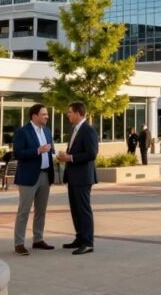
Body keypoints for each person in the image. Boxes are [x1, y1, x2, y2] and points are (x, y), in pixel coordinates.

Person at [12, 103, 56, 255]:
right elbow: (17, 154)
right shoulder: (23, 132)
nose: (47, 116)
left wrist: (58, 156)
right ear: (34, 116)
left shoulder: (47, 131)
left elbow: (51, 152)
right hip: (28, 178)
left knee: (41, 211)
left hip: (45, 176)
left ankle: (38, 239)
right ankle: (19, 243)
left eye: (47, 114)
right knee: (24, 211)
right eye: (44, 114)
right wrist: (38, 150)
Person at [57, 101, 97, 255]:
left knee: (83, 210)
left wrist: (71, 158)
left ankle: (88, 243)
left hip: (83, 177)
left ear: (78, 113)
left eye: (70, 112)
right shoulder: (74, 129)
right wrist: (66, 157)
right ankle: (80, 238)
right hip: (73, 177)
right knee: (75, 210)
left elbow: (91, 153)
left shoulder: (88, 130)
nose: (68, 115)